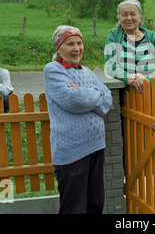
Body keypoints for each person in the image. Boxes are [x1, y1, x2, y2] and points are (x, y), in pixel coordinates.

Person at [104, 0, 155, 204]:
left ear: (140, 17)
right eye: (124, 14)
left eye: (133, 14)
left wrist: (147, 81)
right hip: (129, 102)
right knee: (137, 147)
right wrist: (130, 77)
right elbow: (111, 65)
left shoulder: (153, 37)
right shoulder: (114, 36)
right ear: (119, 18)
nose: (129, 18)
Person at [44, 25, 112, 214]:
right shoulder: (53, 70)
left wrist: (85, 92)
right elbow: (74, 100)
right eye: (70, 44)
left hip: (96, 146)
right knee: (74, 208)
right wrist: (92, 94)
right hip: (72, 151)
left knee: (96, 203)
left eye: (79, 43)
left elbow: (107, 101)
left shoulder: (88, 72)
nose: (76, 48)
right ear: (59, 47)